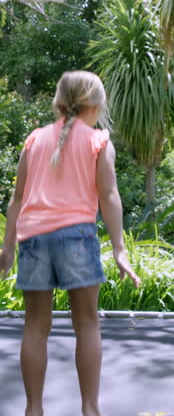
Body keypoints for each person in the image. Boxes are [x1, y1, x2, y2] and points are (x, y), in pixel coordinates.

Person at [0, 70, 141, 416]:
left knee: (36, 325)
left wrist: (7, 249)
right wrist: (120, 250)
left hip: (34, 238)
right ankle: (90, 409)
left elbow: (16, 200)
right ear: (94, 105)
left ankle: (33, 410)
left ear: (58, 102)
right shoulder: (98, 141)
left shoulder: (34, 140)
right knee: (87, 323)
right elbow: (109, 196)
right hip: (76, 236)